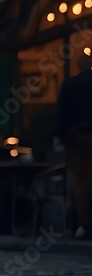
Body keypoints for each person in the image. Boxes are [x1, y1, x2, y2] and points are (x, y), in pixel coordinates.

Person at [55, 53, 92, 239]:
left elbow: (61, 113)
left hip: (75, 137)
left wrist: (61, 136)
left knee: (79, 181)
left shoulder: (69, 84)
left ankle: (84, 224)